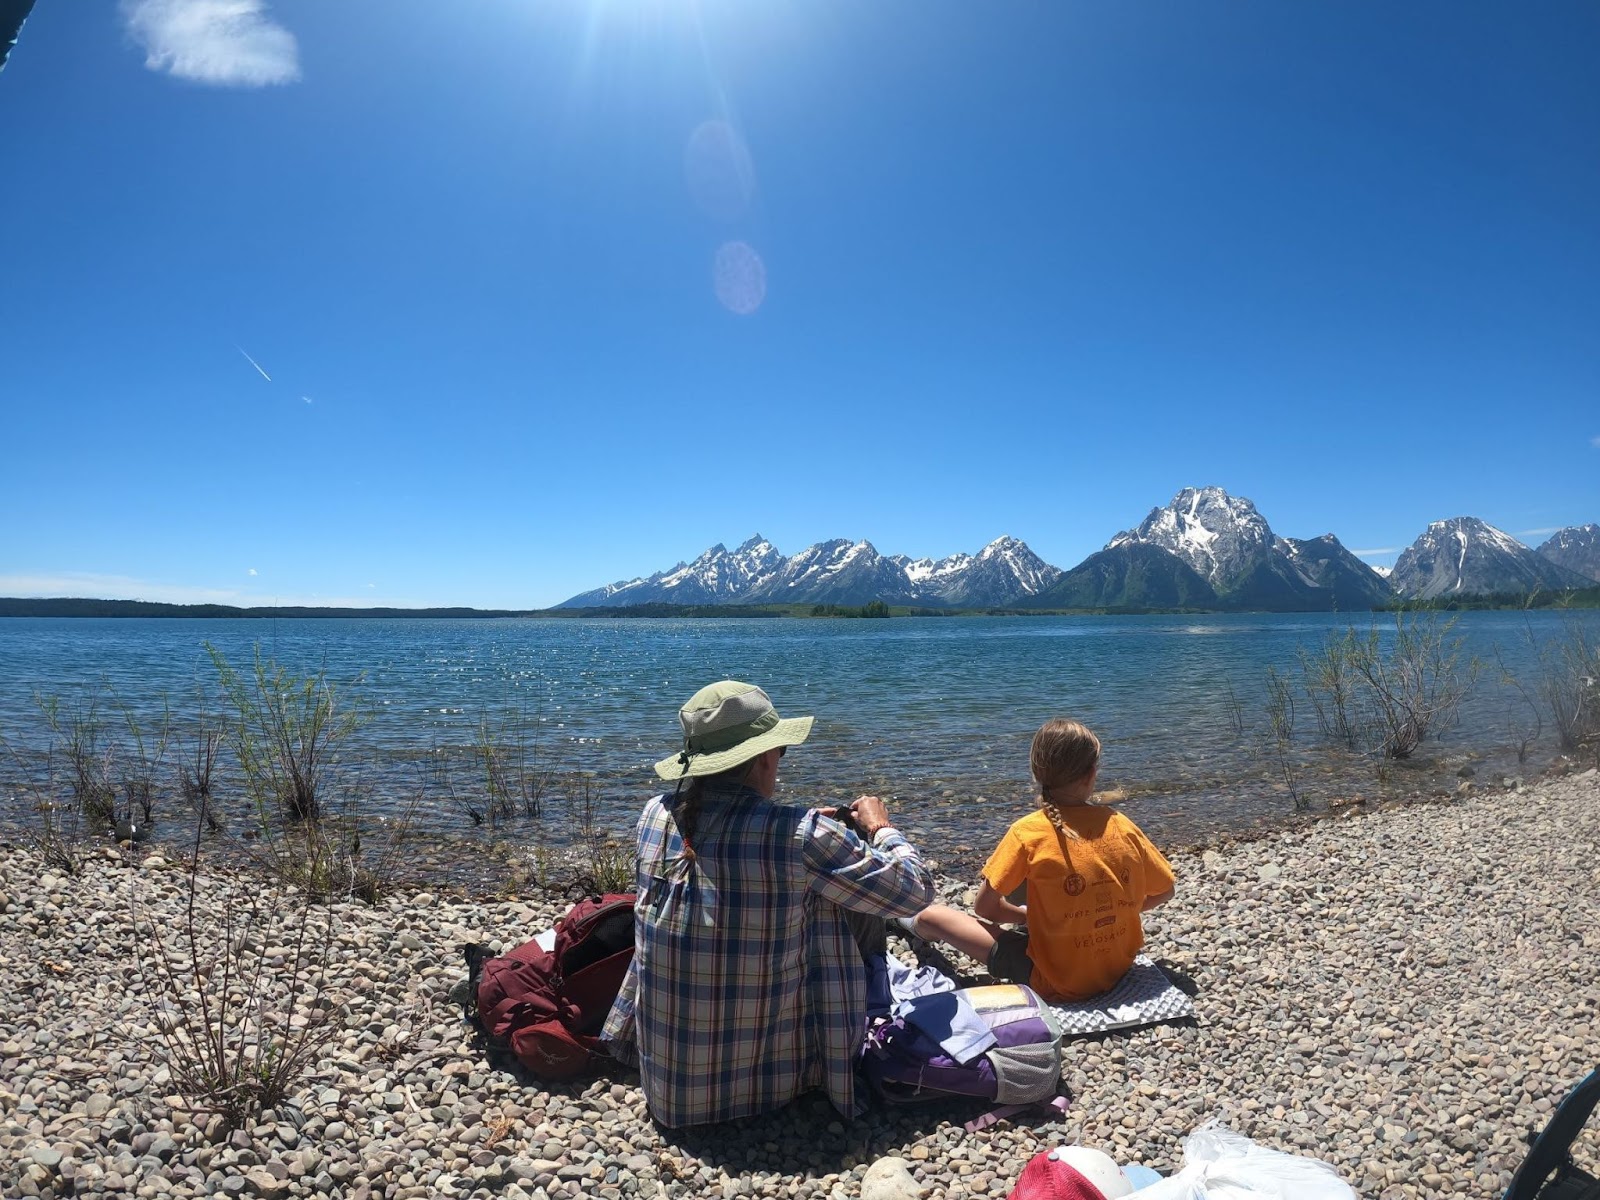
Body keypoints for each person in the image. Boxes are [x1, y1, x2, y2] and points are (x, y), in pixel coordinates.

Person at [600, 679, 934, 1128]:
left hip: (671, 1086)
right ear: (762, 757)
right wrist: (880, 828)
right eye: (781, 750)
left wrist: (808, 828)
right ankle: (861, 1018)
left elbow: (735, 848)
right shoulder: (802, 835)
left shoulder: (655, 812)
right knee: (850, 902)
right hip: (761, 1088)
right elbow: (915, 890)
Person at [899, 718, 1174, 1003]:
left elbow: (985, 908)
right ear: (1091, 774)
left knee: (933, 916)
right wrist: (1118, 913)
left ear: (1036, 772)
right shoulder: (1121, 825)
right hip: (1117, 968)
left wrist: (1031, 919)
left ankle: (898, 919)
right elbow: (1165, 890)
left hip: (1054, 979)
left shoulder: (1027, 832)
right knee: (1043, 875)